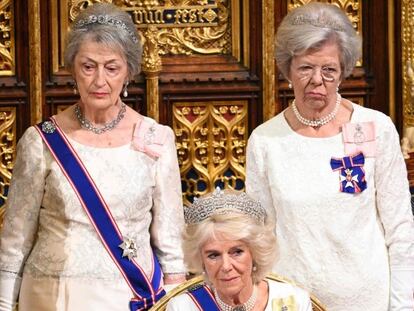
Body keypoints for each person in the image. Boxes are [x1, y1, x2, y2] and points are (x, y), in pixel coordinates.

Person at [0, 3, 185, 311]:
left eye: (111, 68)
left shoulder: (156, 138)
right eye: (89, 66)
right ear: (73, 69)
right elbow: (16, 239)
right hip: (51, 295)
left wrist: (178, 301)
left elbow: (171, 239)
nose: (100, 80)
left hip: (129, 294)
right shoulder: (40, 141)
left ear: (128, 72)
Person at [246, 2, 414, 311]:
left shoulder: (376, 127)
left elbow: (401, 228)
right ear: (288, 69)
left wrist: (403, 305)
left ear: (344, 71)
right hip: (294, 300)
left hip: (368, 299)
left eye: (329, 70)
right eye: (306, 68)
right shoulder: (265, 141)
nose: (317, 80)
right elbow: (260, 238)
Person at [166, 188, 312, 311]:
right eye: (213, 255)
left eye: (237, 252)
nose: (226, 266)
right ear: (201, 260)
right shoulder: (183, 307)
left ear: (254, 253)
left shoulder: (295, 301)